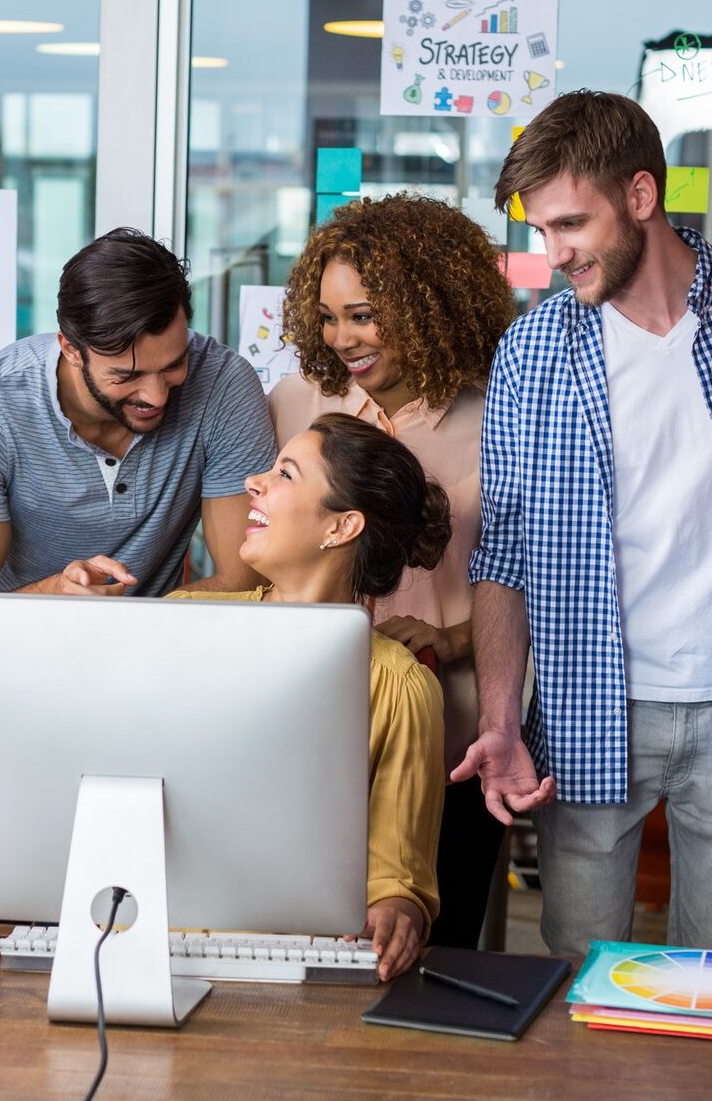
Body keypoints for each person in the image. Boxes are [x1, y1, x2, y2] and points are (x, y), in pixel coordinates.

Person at [454, 89, 712, 960]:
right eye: (541, 232)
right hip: (595, 702)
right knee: (577, 980)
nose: (553, 255)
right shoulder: (535, 349)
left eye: (568, 226)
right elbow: (504, 553)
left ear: (640, 196)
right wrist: (503, 720)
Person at [271, 193, 516, 949]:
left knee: (429, 956)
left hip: (453, 737)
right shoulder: (295, 403)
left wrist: (449, 634)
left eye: (365, 314)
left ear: (431, 305)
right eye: (330, 315)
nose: (344, 338)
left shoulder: (505, 417)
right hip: (312, 731)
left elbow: (546, 584)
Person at [171, 413, 447, 980]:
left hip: (296, 975)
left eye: (286, 474)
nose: (255, 482)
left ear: (342, 527)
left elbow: (397, 876)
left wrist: (398, 912)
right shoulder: (181, 627)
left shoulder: (400, 686)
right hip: (155, 951)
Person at [0, 227, 275, 597]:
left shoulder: (223, 384)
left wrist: (123, 625)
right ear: (71, 349)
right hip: (17, 641)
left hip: (162, 643)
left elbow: (244, 582)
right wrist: (54, 596)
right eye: (127, 375)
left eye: (174, 364)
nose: (156, 396)